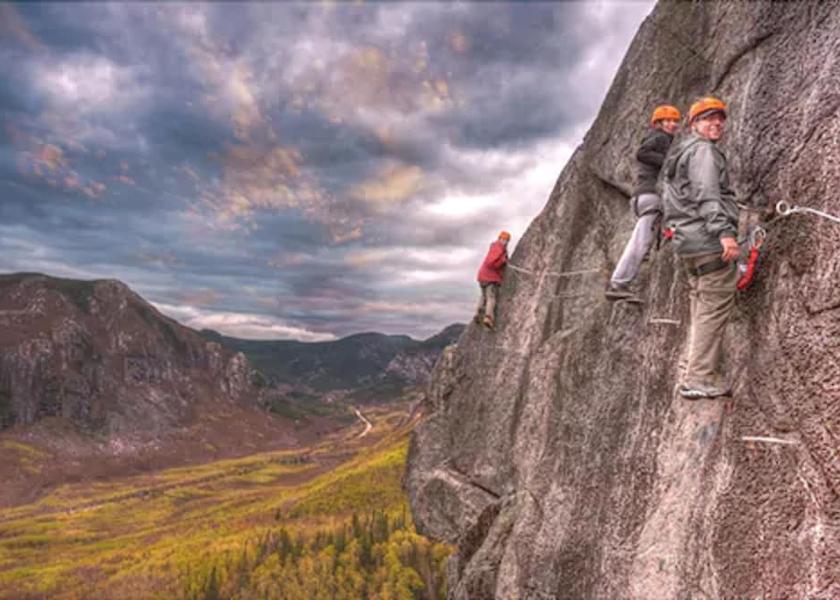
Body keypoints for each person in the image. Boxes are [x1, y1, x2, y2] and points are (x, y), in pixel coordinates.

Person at [662, 97, 740, 399]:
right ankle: (699, 378)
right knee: (712, 307)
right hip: (708, 241)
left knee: (700, 305)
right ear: (694, 124)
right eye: (708, 118)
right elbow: (707, 194)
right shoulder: (703, 152)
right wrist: (725, 233)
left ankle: (693, 367)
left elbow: (680, 199)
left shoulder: (680, 155)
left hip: (688, 244)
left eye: (720, 118)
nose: (716, 123)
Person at [605, 104, 681, 302]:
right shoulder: (659, 137)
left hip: (645, 197)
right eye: (669, 121)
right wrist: (667, 162)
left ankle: (633, 273)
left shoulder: (665, 139)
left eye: (675, 121)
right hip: (651, 197)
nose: (673, 124)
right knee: (641, 240)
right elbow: (642, 152)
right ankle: (619, 282)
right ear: (658, 123)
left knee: (649, 238)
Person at [475, 231, 510, 330]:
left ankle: (478, 313)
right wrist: (503, 260)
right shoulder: (498, 248)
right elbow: (492, 263)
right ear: (500, 239)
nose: (505, 242)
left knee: (483, 296)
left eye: (506, 241)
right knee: (491, 297)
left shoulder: (493, 247)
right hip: (490, 277)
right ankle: (488, 317)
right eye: (504, 240)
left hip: (482, 276)